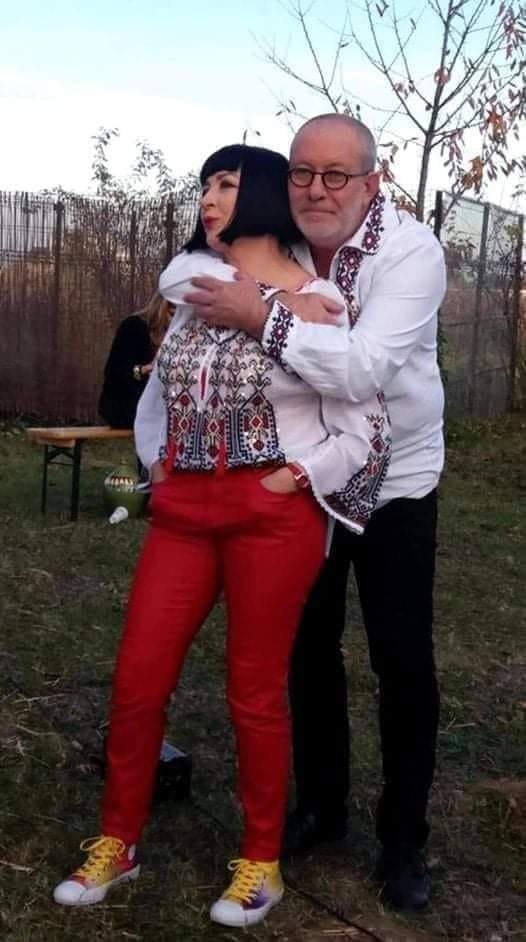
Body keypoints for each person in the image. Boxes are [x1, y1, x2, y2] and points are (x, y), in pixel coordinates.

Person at [52, 143, 390, 928]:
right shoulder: (193, 289)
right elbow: (158, 400)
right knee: (138, 678)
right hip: (184, 515)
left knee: (254, 691)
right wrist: (157, 465)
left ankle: (261, 861)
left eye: (226, 184)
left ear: (263, 192)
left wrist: (298, 477)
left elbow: (363, 425)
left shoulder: (319, 303)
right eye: (204, 184)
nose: (207, 197)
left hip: (271, 516)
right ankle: (118, 842)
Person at [182, 115, 447, 912]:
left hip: (397, 478)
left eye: (337, 175)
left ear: (372, 182)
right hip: (304, 481)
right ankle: (323, 808)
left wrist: (263, 315)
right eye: (302, 172)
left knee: (401, 658)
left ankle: (402, 839)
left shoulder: (412, 253)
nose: (317, 190)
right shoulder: (282, 247)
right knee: (307, 649)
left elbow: (362, 370)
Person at [98, 292, 173, 429]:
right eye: (172, 314)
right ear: (162, 308)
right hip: (124, 405)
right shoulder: (134, 326)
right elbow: (115, 373)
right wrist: (144, 370)